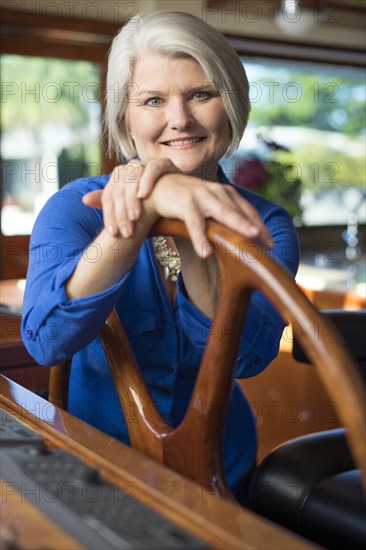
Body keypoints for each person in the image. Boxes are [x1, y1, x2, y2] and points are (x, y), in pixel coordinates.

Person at [21, 11, 299, 503]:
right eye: (153, 100)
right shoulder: (76, 208)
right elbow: (46, 341)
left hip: (220, 473)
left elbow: (247, 359)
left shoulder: (266, 224)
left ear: (231, 104)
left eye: (201, 94)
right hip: (95, 468)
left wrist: (190, 215)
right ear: (126, 118)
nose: (180, 119)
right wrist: (137, 217)